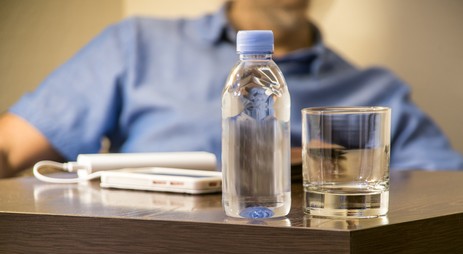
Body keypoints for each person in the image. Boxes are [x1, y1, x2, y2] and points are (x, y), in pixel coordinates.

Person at [1, 0, 462, 178]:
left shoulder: (378, 91)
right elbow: (12, 147)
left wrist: (337, 163)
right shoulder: (136, 43)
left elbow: (447, 195)